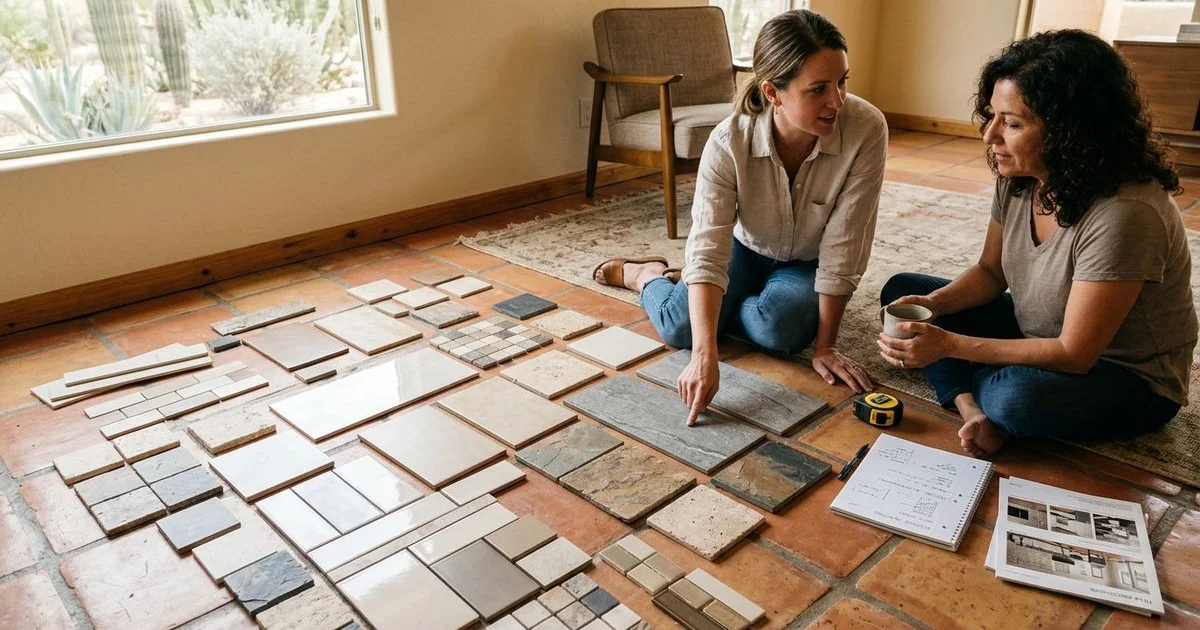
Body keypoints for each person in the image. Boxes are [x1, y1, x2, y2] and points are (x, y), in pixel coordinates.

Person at [878, 29, 1197, 457]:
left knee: (1014, 398)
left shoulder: (1126, 213)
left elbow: (1074, 354)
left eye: (1011, 123)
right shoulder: (1019, 178)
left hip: (1123, 375)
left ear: (1070, 131)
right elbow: (992, 273)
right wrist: (933, 306)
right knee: (902, 293)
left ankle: (985, 397)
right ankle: (971, 406)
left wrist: (950, 345)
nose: (990, 136)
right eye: (992, 116)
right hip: (1038, 330)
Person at [593, 10, 888, 424]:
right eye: (819, 89)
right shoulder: (728, 141)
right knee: (680, 331)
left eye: (842, 81)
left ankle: (721, 305)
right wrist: (703, 355)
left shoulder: (867, 129)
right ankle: (644, 276)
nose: (837, 100)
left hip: (807, 262)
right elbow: (709, 246)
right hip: (745, 250)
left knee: (780, 331)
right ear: (773, 92)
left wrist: (824, 347)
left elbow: (847, 240)